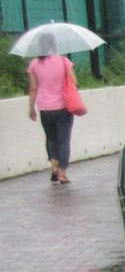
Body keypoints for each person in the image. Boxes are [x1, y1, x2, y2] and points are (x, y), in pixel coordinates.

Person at [26, 42, 80, 184]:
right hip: (63, 107)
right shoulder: (64, 61)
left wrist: (31, 108)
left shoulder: (34, 64)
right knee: (63, 139)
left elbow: (33, 88)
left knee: (50, 138)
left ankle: (54, 167)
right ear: (54, 46)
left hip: (45, 108)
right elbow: (74, 81)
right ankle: (62, 174)